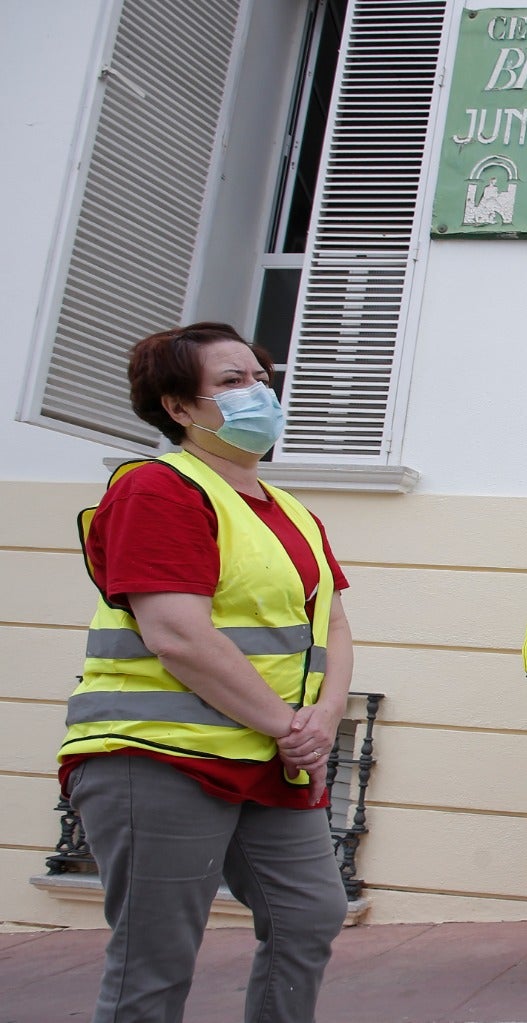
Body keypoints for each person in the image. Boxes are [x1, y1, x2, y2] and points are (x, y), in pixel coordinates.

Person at [59, 323, 353, 1020]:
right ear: (178, 407)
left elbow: (331, 625)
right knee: (153, 965)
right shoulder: (155, 489)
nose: (259, 392)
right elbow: (178, 635)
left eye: (260, 377)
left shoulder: (289, 510)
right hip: (157, 753)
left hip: (266, 755)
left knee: (310, 913)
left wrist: (327, 717)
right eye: (232, 382)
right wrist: (290, 726)